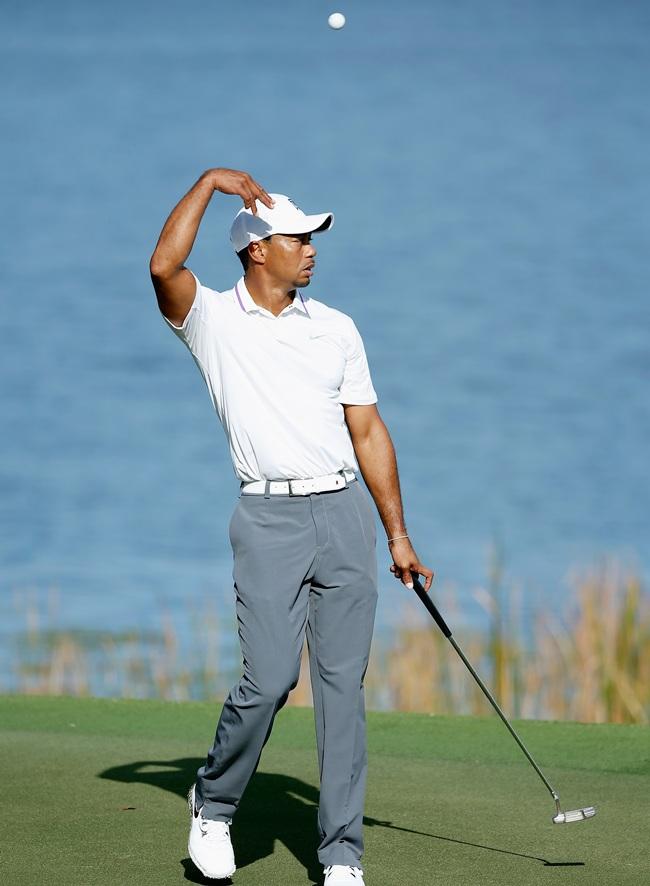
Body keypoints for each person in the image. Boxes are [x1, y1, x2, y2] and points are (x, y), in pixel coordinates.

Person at [149, 167, 434, 885]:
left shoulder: (336, 329)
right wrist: (211, 183)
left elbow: (368, 431)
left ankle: (342, 856)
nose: (310, 248)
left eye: (311, 238)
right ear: (255, 250)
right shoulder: (210, 320)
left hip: (342, 515)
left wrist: (396, 531)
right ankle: (213, 802)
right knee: (272, 677)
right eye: (296, 237)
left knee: (343, 690)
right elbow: (163, 264)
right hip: (268, 517)